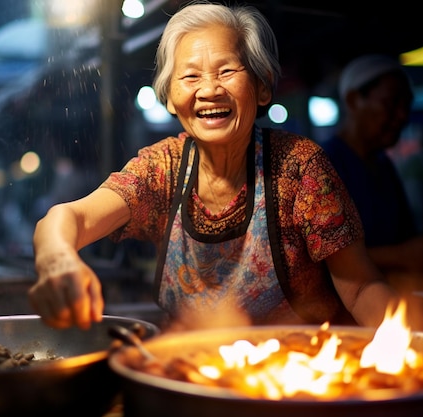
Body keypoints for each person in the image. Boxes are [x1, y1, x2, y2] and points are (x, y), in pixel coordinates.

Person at [28, 2, 401, 332]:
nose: (209, 90)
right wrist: (58, 260)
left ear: (262, 88)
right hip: (189, 377)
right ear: (171, 98)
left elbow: (361, 286)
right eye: (190, 76)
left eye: (226, 71)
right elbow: (68, 218)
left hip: (293, 382)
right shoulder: (162, 168)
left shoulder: (299, 167)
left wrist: (404, 343)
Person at [321, 54, 423, 292]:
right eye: (391, 104)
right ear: (354, 100)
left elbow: (405, 235)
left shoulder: (384, 165)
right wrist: (399, 256)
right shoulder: (323, 163)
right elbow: (318, 255)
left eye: (406, 106)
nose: (402, 116)